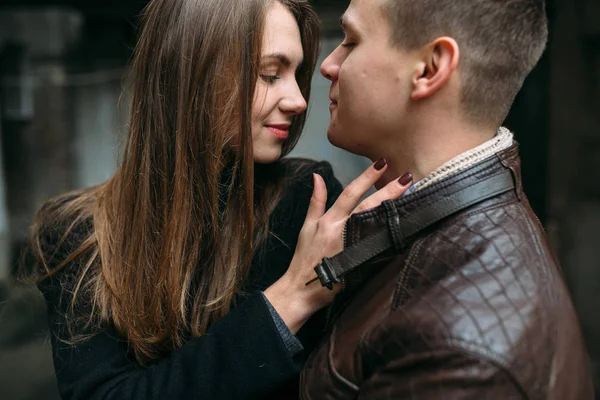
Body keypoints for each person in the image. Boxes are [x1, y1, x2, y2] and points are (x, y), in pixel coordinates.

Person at [22, 0, 411, 399]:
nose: (298, 100)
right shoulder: (76, 235)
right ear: (193, 77)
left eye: (297, 74)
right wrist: (292, 297)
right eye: (270, 74)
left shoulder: (307, 199)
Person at [300, 0, 595, 398]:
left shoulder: (461, 354)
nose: (328, 65)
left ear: (430, 68)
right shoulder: (447, 231)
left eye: (351, 41)